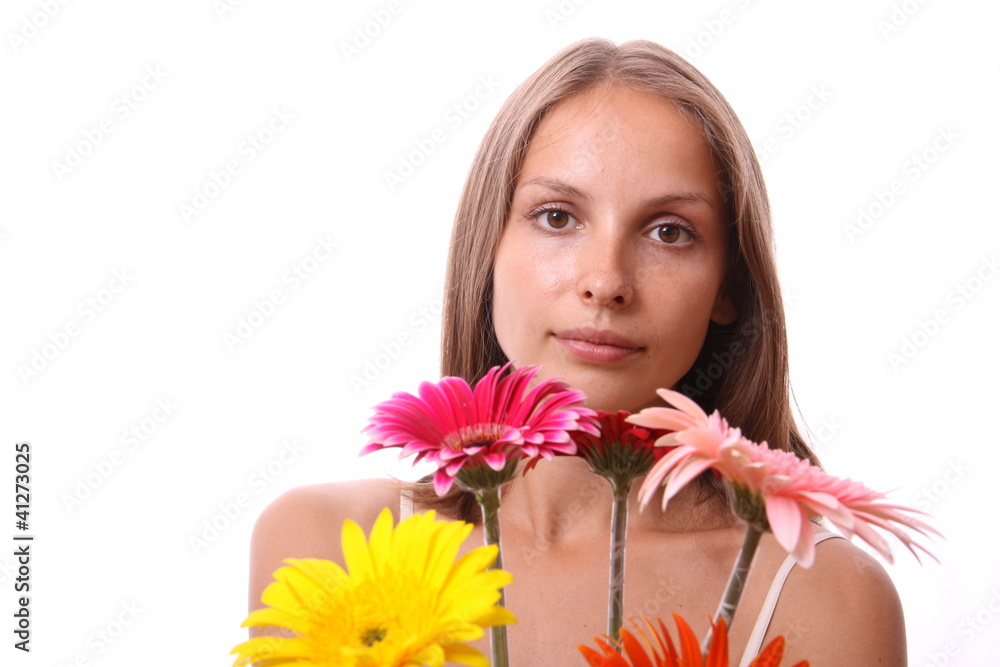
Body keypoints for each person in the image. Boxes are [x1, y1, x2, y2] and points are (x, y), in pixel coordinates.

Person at [249, 38, 905, 665]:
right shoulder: (321, 548)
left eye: (669, 231)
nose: (606, 281)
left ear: (727, 288)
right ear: (490, 249)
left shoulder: (829, 598)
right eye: (557, 216)